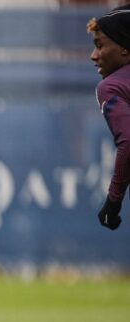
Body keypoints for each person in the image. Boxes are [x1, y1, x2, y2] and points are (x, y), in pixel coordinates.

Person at [88, 4, 130, 231]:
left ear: (124, 48)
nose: (93, 55)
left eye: (99, 45)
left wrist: (113, 202)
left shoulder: (111, 87)